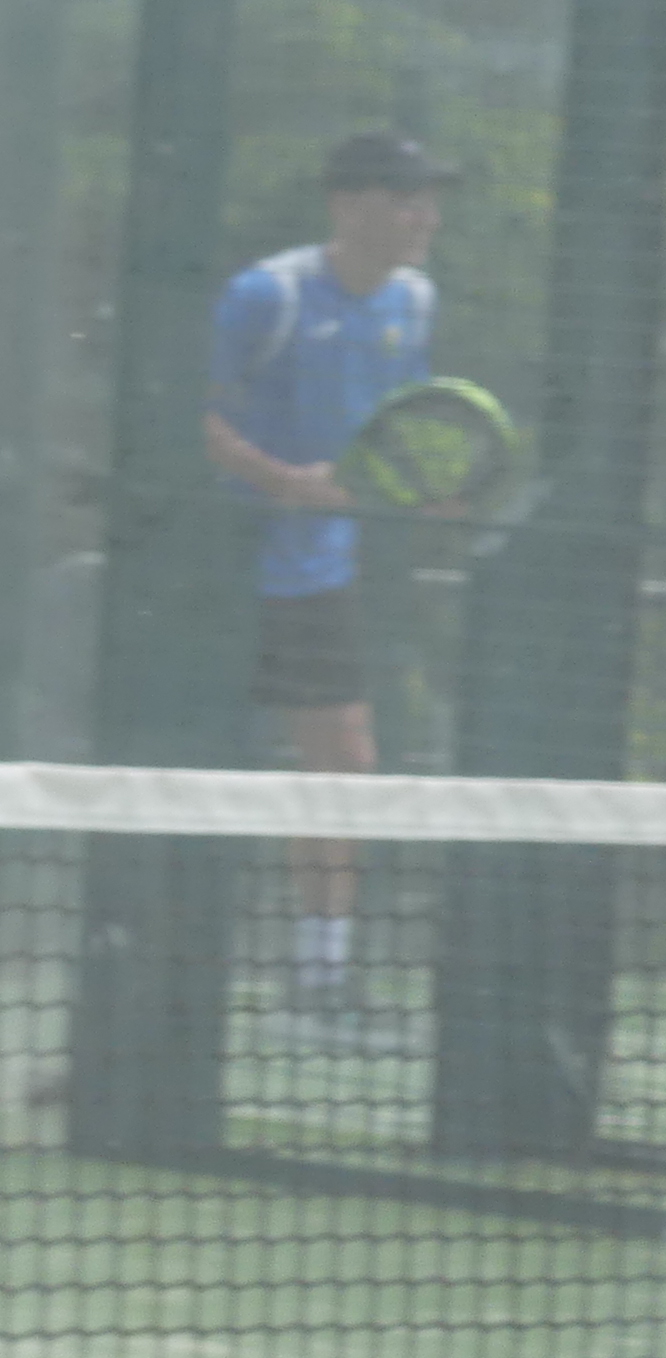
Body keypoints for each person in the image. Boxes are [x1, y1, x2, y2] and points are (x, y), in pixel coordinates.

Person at [202, 129, 452, 1042]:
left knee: (345, 759)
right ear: (347, 204)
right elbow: (193, 417)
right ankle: (154, 975)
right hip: (216, 570)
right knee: (186, 763)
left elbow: (400, 425)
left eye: (429, 200)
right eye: (404, 197)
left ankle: (319, 982)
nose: (425, 217)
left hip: (320, 574)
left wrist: (428, 484)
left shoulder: (413, 301)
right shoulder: (265, 296)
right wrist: (281, 481)